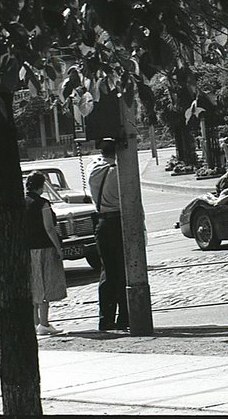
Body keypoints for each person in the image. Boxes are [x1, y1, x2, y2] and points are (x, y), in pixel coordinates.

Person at [88, 138, 128, 332]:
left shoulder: (93, 169)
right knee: (124, 270)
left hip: (101, 222)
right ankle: (125, 316)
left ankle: (106, 317)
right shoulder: (118, 171)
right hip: (119, 220)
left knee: (107, 271)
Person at [25, 171, 67, 336]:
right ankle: (44, 323)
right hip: (44, 248)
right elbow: (49, 228)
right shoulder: (43, 203)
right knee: (45, 285)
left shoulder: (21, 202)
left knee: (34, 286)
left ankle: (36, 323)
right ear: (41, 185)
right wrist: (59, 248)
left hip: (27, 250)